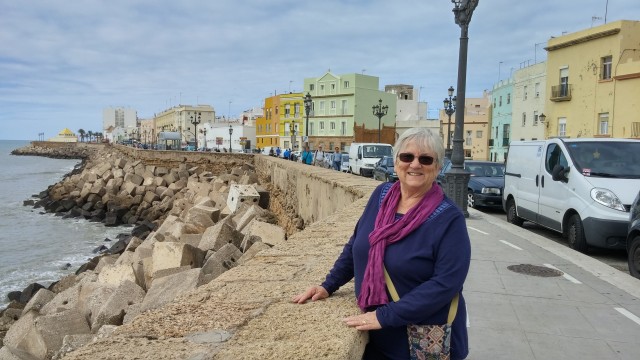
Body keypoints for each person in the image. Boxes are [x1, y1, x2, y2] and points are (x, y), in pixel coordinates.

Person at [293, 128, 471, 360]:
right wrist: (328, 285)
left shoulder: (449, 219)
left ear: (437, 167)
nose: (415, 165)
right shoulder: (381, 195)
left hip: (424, 340)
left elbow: (446, 283)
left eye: (425, 159)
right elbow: (357, 245)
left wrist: (385, 316)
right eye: (407, 157)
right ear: (396, 161)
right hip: (380, 341)